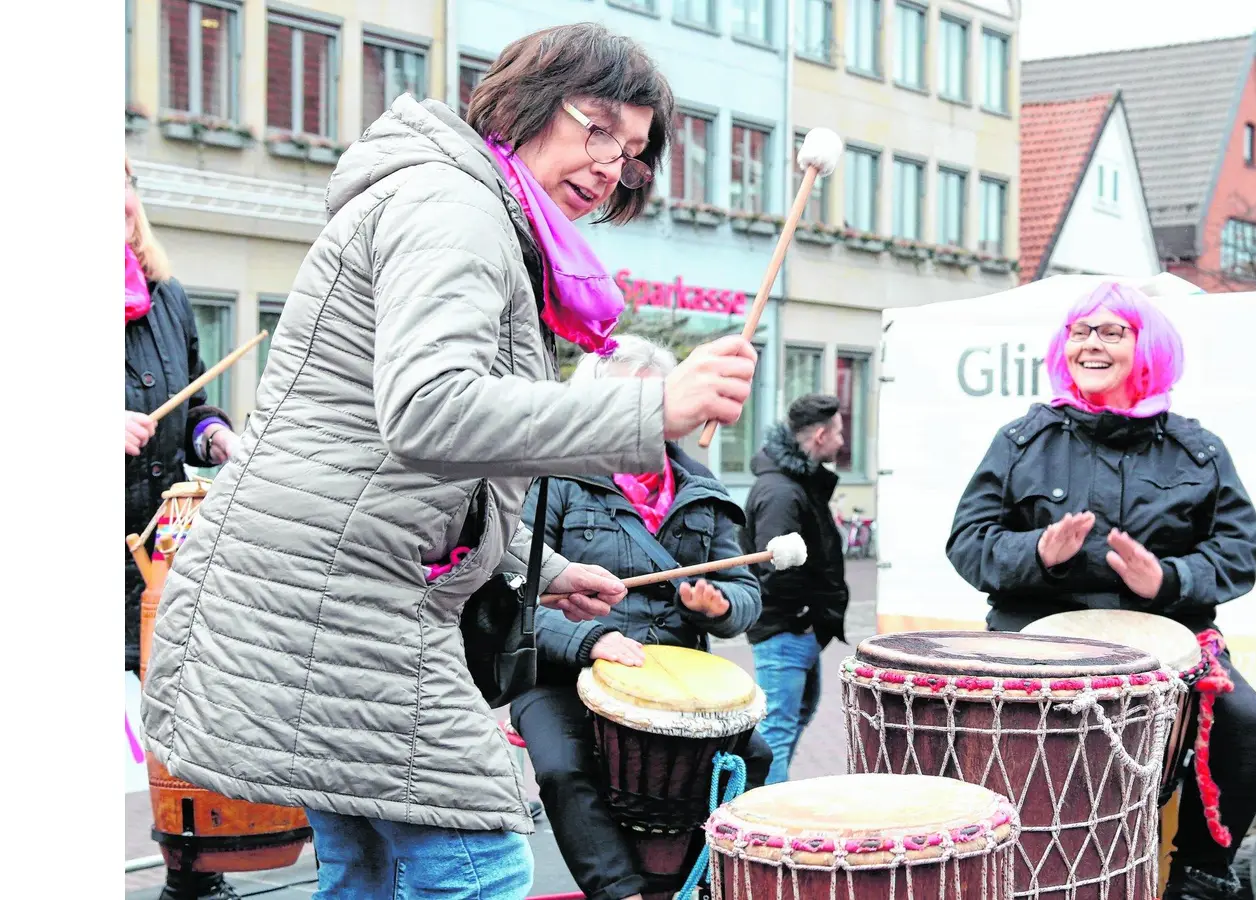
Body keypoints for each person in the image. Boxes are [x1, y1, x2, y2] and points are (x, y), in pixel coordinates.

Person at [140, 24, 758, 900]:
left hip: (332, 578)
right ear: (530, 102)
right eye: (598, 129)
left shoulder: (474, 209)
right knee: (478, 864)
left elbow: (427, 471)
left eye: (631, 153)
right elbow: (429, 412)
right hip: (341, 591)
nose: (610, 166)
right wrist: (655, 406)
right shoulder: (456, 206)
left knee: (369, 866)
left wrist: (536, 568)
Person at [944, 281, 1256, 900]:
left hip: (1169, 636)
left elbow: (1239, 551)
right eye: (1080, 331)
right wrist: (1036, 552)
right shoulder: (1021, 442)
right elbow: (968, 542)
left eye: (1111, 331)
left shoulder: (1197, 452)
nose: (1091, 344)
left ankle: (1202, 872)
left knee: (1245, 720)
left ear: (1147, 347)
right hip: (1035, 633)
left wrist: (1169, 580)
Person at [508, 335, 770, 900]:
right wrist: (591, 640)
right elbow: (512, 596)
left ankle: (703, 880)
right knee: (561, 768)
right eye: (630, 407)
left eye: (657, 404)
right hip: (564, 671)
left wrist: (721, 606)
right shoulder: (552, 480)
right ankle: (619, 891)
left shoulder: (703, 491)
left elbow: (746, 595)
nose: (646, 421)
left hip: (676, 680)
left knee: (754, 757)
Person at [124, 156, 245, 900]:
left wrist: (214, 436)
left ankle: (192, 871)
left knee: (176, 707)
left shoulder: (166, 297)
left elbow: (196, 402)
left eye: (123, 187)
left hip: (160, 549)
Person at [741, 394, 849, 785]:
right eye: (838, 431)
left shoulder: (798, 483)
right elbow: (774, 565)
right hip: (786, 630)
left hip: (798, 630)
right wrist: (802, 618)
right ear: (820, 435)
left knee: (794, 718)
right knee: (777, 735)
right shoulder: (782, 492)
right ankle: (769, 823)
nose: (842, 439)